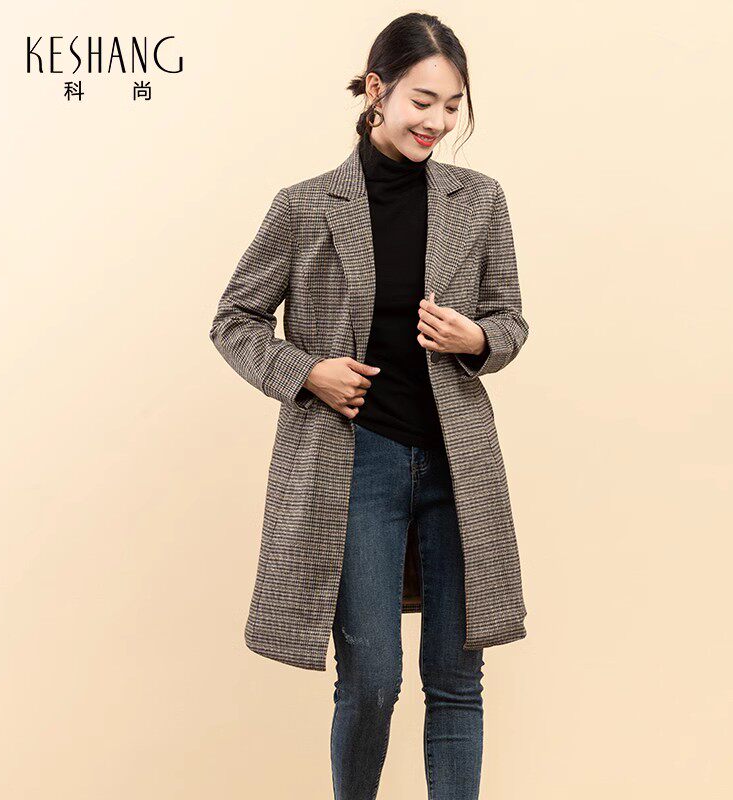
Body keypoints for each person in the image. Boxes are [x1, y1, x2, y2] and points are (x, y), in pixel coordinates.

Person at [209, 12, 529, 800]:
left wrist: (476, 338)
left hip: (458, 464)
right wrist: (307, 372)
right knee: (372, 680)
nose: (438, 122)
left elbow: (510, 320)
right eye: (423, 101)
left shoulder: (479, 200)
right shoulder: (306, 206)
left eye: (452, 105)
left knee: (457, 680)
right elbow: (234, 319)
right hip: (355, 463)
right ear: (377, 90)